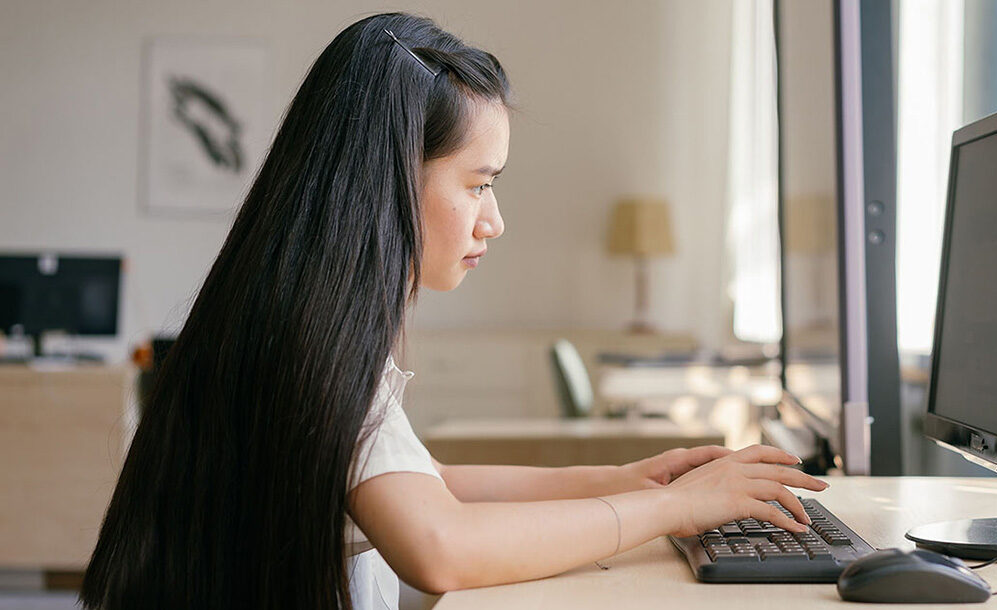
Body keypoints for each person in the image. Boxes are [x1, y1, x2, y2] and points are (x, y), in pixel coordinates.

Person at [80, 12, 828, 610]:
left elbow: (426, 481)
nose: (493, 219)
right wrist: (674, 513)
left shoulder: (287, 305)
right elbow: (438, 546)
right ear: (388, 179)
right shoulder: (309, 337)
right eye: (477, 184)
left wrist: (628, 481)